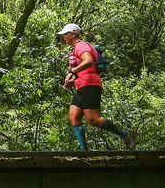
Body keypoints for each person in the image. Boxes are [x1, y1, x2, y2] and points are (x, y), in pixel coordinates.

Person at [58, 23, 135, 152]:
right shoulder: (74, 49)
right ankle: (84, 152)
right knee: (74, 117)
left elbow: (88, 61)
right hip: (82, 86)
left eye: (66, 34)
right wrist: (70, 81)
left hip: (90, 85)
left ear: (73, 34)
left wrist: (72, 72)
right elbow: (81, 69)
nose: (64, 37)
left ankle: (126, 135)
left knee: (93, 119)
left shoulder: (80, 45)